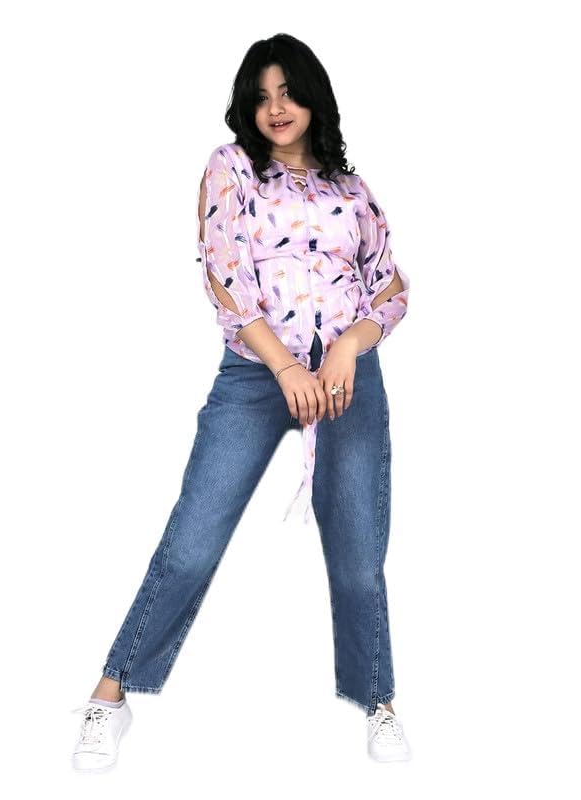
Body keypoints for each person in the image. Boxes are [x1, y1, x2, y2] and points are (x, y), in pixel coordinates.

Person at [72, 33, 411, 771]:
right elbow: (224, 279)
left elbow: (390, 286)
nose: (275, 108)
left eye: (287, 92)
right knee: (193, 540)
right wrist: (286, 365)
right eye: (261, 97)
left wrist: (349, 347)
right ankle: (110, 694)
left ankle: (378, 701)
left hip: (346, 378)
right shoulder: (230, 169)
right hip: (258, 373)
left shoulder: (352, 191)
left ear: (313, 97)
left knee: (359, 557)